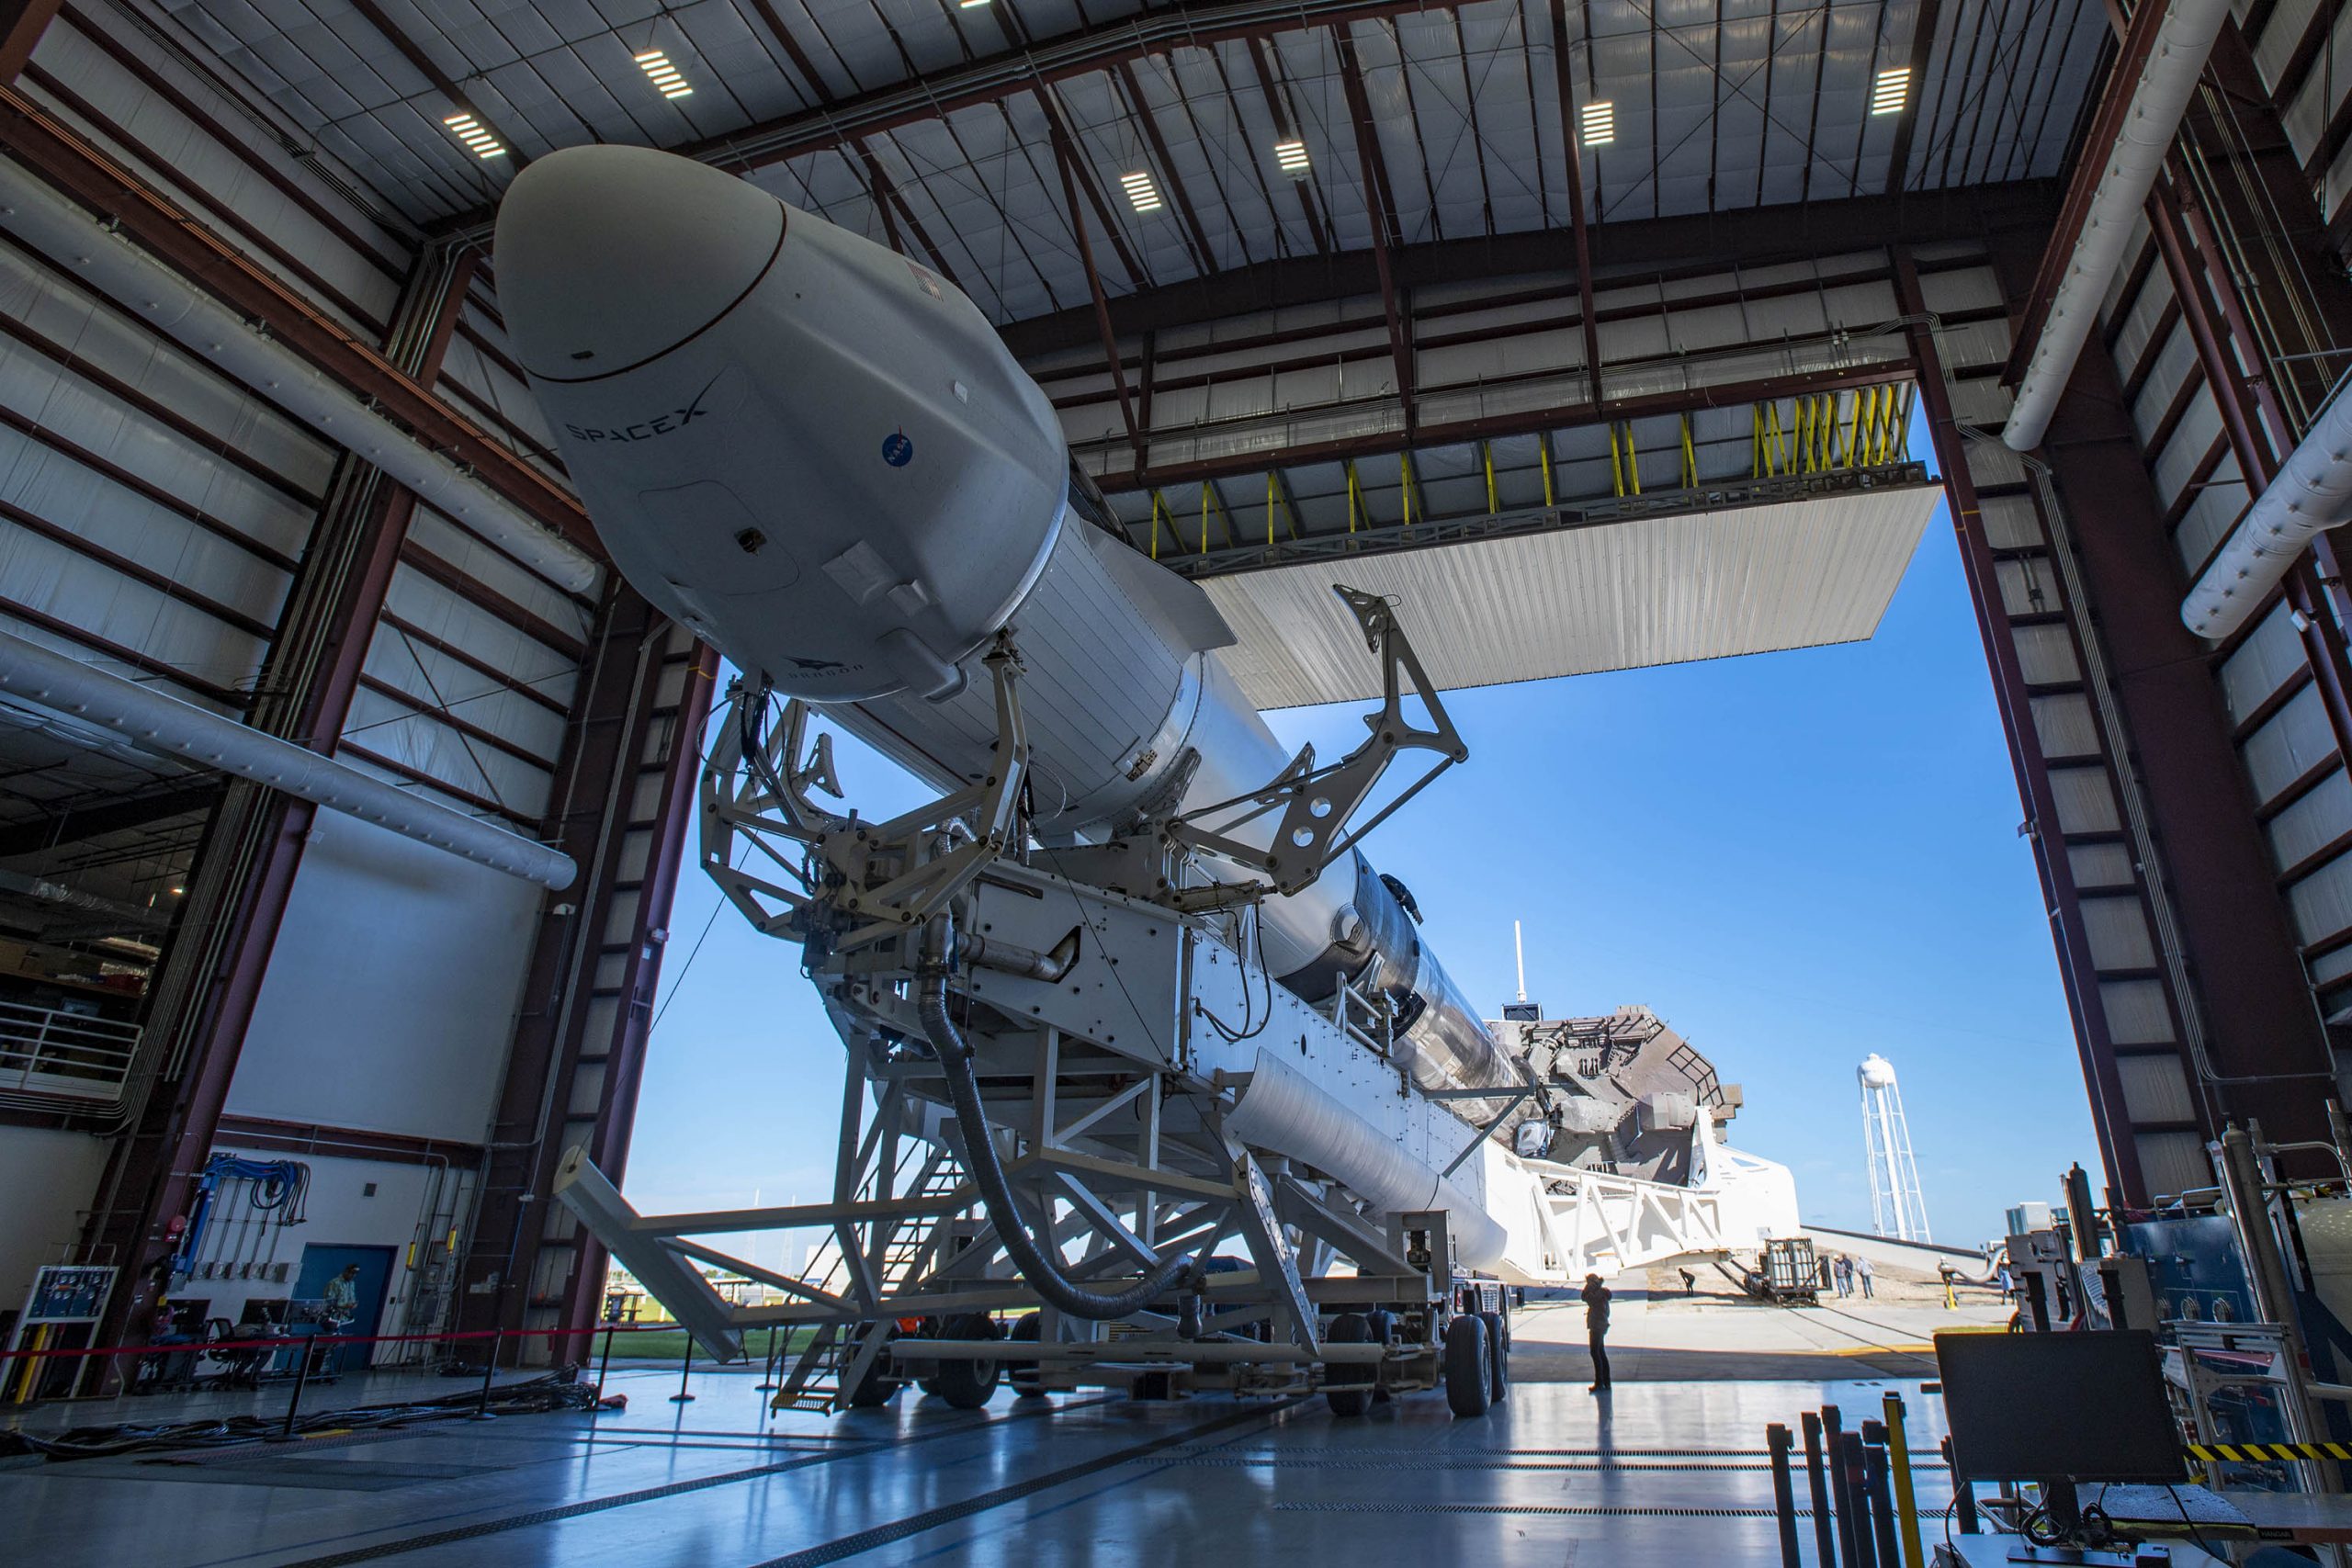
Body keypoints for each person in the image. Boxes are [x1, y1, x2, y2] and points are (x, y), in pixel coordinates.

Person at [322, 1263, 362, 1375]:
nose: (353, 1276)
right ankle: (327, 1372)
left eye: (355, 1274)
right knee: (328, 1345)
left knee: (334, 1345)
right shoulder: (334, 1283)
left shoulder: (351, 1284)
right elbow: (329, 1301)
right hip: (331, 1318)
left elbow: (351, 1298)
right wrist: (344, 1305)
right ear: (346, 1271)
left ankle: (329, 1371)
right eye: (351, 1273)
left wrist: (352, 1305)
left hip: (342, 1318)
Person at [1580, 1271, 1612, 1393]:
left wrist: (1591, 1286)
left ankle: (1599, 1382)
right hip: (1601, 1324)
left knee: (1595, 1352)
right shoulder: (1602, 1292)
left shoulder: (1597, 1294)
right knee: (1600, 1352)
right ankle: (1606, 1381)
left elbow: (1584, 1297)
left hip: (1597, 1325)